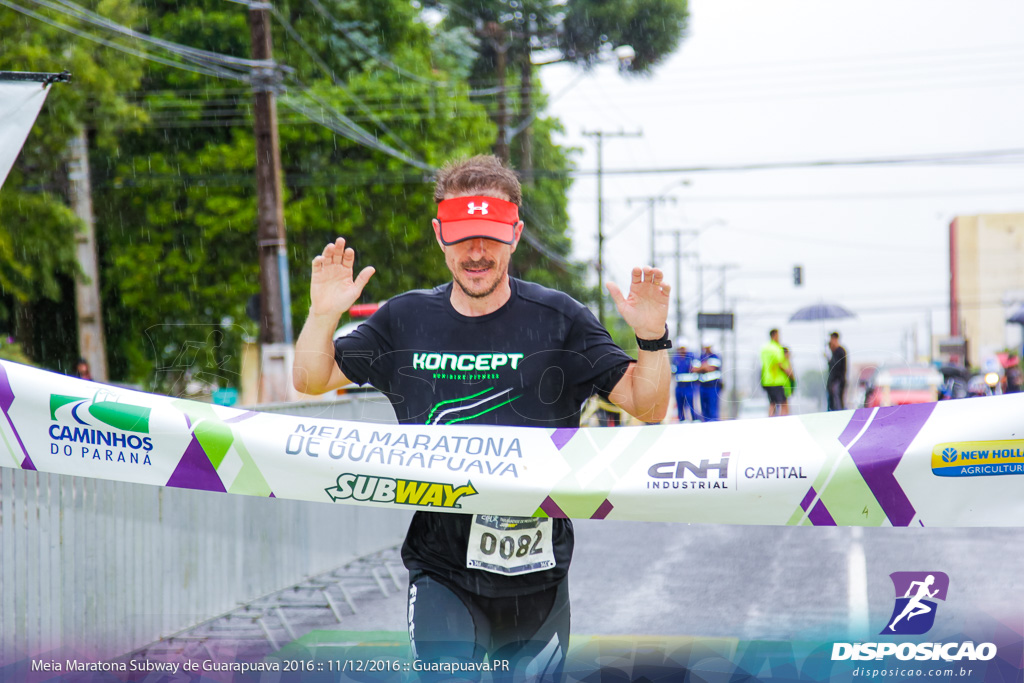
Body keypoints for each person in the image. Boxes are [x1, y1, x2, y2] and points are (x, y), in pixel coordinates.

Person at [292, 155, 671, 681]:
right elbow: (312, 379)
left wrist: (652, 338)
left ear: (515, 234)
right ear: (439, 235)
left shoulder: (560, 320)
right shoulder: (405, 320)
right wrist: (322, 313)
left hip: (538, 576)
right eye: (463, 236)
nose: (477, 252)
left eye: (491, 236)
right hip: (442, 568)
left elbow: (648, 405)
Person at [760, 329, 791, 416]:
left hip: (767, 380)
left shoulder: (764, 349)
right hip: (777, 380)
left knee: (772, 403)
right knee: (783, 403)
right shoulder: (777, 348)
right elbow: (779, 363)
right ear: (774, 336)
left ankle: (771, 419)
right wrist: (788, 372)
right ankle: (783, 420)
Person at [671, 340, 700, 422]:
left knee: (691, 403)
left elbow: (696, 368)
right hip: (679, 385)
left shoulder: (691, 356)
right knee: (680, 403)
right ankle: (682, 419)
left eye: (683, 348)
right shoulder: (676, 358)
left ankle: (695, 419)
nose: (682, 350)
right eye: (680, 349)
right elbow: (673, 371)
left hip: (689, 385)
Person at [696, 343, 722, 421]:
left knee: (713, 409)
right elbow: (694, 369)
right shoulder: (701, 357)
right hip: (703, 386)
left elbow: (711, 368)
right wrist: (705, 366)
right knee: (704, 409)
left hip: (713, 386)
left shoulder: (715, 357)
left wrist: (702, 366)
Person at [826, 331, 848, 411]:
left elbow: (836, 367)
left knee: (837, 401)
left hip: (837, 381)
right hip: (834, 381)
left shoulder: (840, 351)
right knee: (833, 401)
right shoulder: (834, 352)